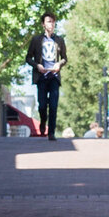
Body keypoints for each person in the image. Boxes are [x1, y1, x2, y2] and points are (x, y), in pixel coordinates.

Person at [27, 12, 66, 140]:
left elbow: (65, 58)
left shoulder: (59, 40)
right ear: (43, 24)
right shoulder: (36, 40)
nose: (52, 24)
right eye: (49, 21)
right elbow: (28, 58)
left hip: (54, 77)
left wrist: (59, 65)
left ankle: (51, 133)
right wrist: (37, 66)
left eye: (53, 21)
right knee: (42, 105)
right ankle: (43, 121)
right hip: (41, 77)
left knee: (54, 105)